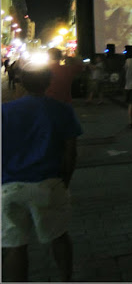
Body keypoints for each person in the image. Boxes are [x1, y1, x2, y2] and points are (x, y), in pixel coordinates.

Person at [2, 62, 83, 282]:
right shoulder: (62, 110)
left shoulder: (4, 111)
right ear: (49, 81)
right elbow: (71, 152)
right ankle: (65, 279)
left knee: (14, 246)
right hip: (48, 183)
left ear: (21, 80)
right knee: (58, 237)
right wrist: (65, 181)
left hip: (10, 185)